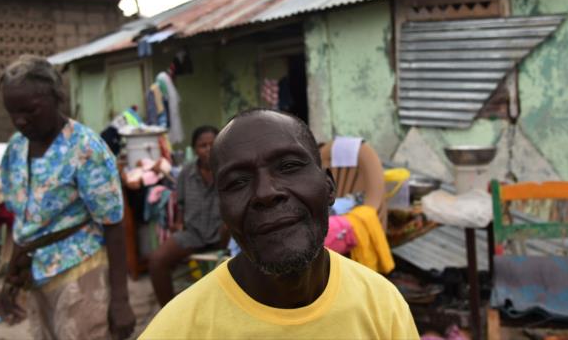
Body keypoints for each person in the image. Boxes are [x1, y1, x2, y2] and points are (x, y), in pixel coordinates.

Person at [140, 109, 418, 339]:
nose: (265, 193)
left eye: (288, 167)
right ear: (222, 209)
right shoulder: (177, 330)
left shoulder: (382, 306)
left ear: (329, 187)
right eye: (238, 182)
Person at [0, 55, 135, 340]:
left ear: (56, 97)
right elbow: (21, 222)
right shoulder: (15, 148)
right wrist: (10, 279)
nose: (20, 120)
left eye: (30, 110)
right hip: (35, 275)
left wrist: (120, 300)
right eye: (12, 112)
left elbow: (113, 224)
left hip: (79, 272)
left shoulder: (85, 149)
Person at [147, 125, 224, 307]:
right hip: (194, 233)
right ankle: (169, 313)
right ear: (194, 149)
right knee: (157, 260)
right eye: (202, 145)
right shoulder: (186, 174)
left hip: (224, 234)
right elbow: (181, 203)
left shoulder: (229, 169)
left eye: (212, 144)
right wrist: (178, 222)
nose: (207, 149)